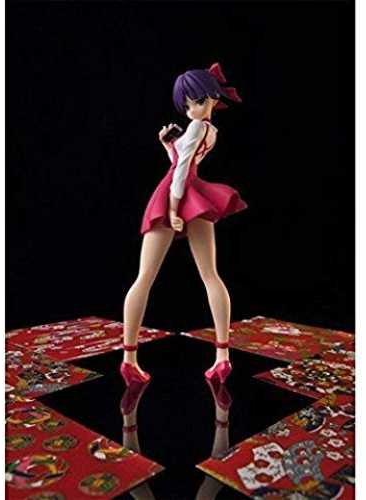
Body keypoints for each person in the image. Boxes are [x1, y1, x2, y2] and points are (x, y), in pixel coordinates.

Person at [121, 62, 248, 386]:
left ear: (213, 98)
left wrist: (173, 207)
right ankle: (222, 356)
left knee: (144, 277)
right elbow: (183, 161)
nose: (193, 110)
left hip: (175, 193)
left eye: (198, 101)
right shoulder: (210, 131)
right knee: (210, 274)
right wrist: (169, 147)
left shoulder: (195, 127)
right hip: (196, 195)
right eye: (188, 105)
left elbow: (180, 172)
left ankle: (129, 359)